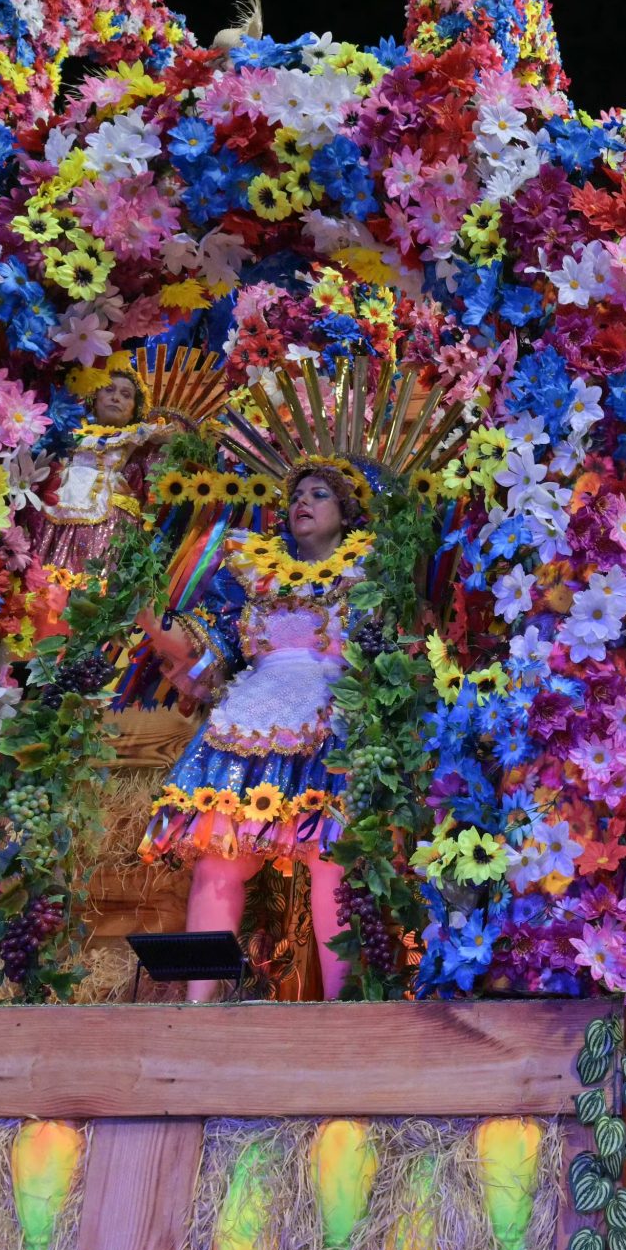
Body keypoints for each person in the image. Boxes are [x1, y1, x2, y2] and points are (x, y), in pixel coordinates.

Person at [136, 462, 371, 1002]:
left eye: (319, 494)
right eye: (296, 496)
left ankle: (345, 1011)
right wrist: (148, 618)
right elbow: (204, 644)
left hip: (330, 719)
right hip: (247, 720)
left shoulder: (368, 572)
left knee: (329, 857)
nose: (302, 504)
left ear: (346, 513)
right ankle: (199, 1005)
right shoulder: (249, 571)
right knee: (219, 855)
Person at [27, 361, 168, 576]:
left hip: (106, 515)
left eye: (126, 394)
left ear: (134, 409)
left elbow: (160, 469)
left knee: (94, 578)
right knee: (46, 575)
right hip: (57, 506)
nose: (116, 398)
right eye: (109, 390)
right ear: (95, 398)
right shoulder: (69, 428)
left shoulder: (137, 436)